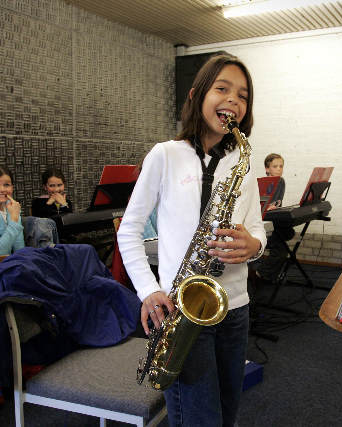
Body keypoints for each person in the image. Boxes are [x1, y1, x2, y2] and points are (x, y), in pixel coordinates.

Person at [117, 54, 266, 427]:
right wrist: (148, 291)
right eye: (222, 89)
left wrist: (254, 246)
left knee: (227, 414)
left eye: (243, 95)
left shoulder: (242, 162)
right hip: (181, 310)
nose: (233, 100)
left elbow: (258, 231)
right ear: (197, 95)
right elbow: (129, 229)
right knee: (199, 420)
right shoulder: (166, 155)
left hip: (235, 309)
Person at [255, 153, 295, 282]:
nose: (279, 169)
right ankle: (262, 273)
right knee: (282, 246)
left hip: (274, 220)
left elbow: (276, 203)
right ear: (267, 169)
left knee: (282, 246)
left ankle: (263, 274)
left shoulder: (281, 181)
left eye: (281, 166)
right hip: (263, 222)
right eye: (275, 166)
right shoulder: (261, 183)